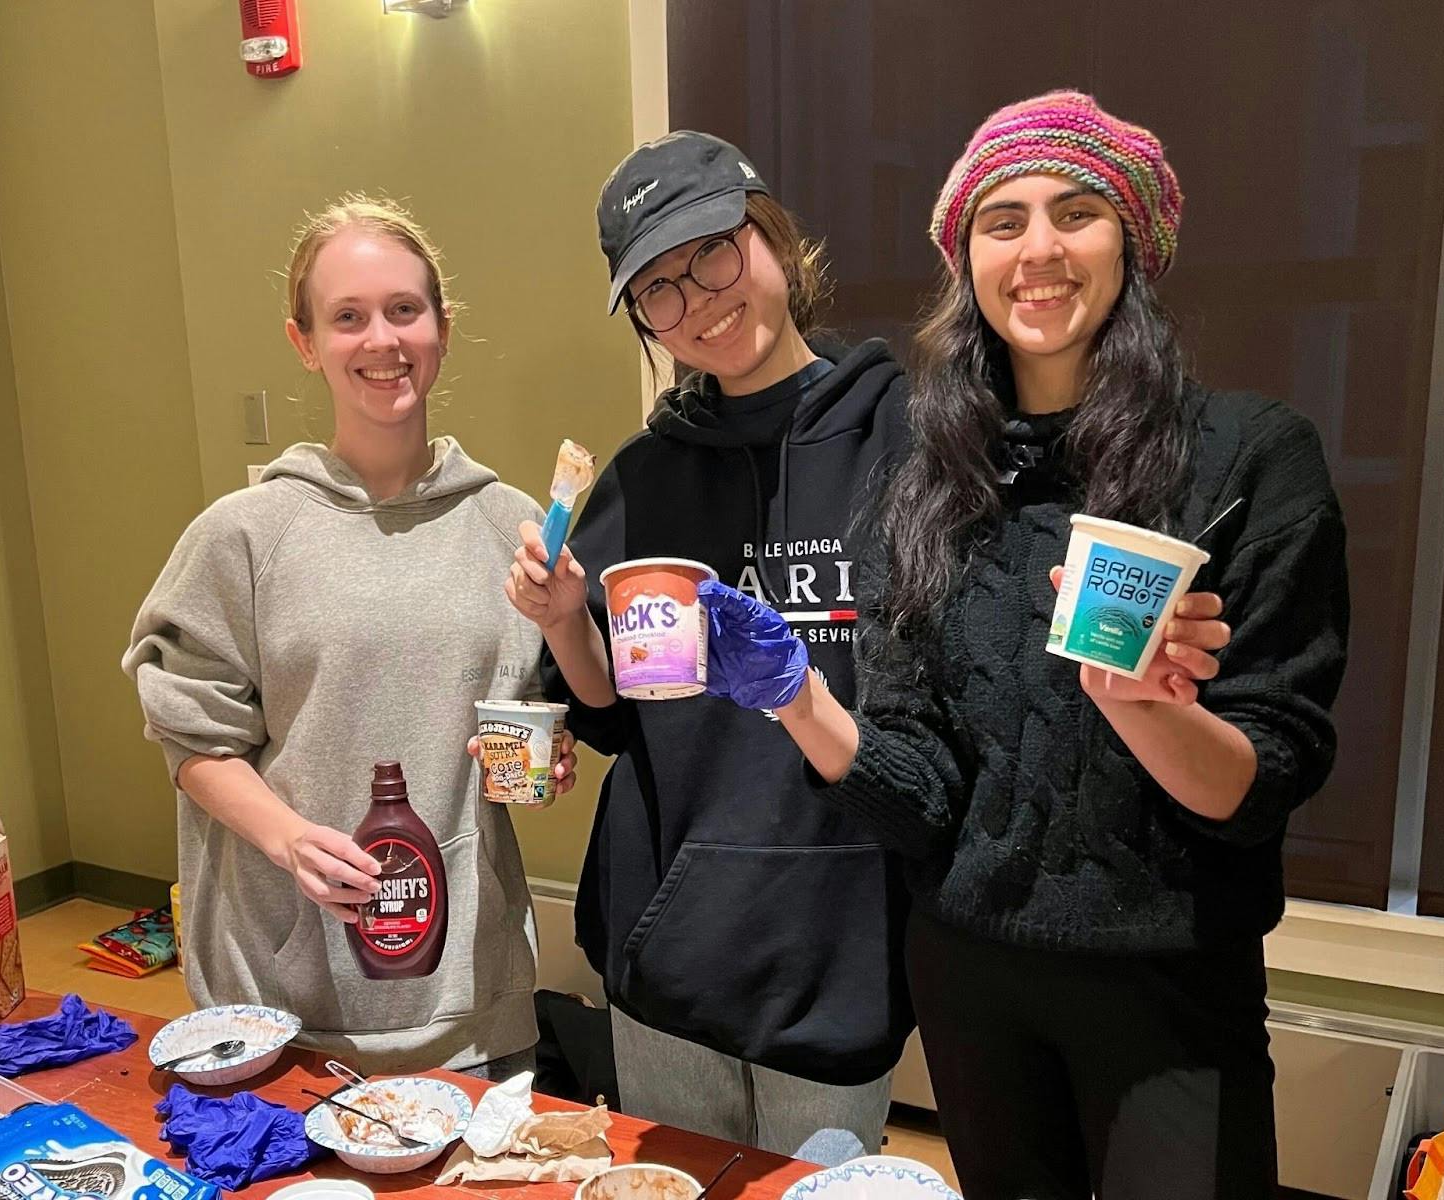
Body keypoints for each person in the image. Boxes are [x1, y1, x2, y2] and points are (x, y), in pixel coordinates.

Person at [697, 92, 1349, 1199]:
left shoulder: (1245, 462)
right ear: (966, 260)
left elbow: (1259, 785)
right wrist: (796, 697)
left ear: (1132, 241)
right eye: (1001, 221)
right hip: (968, 974)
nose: (1038, 248)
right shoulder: (922, 485)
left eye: (1075, 211)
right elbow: (921, 792)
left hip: (1168, 983)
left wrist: (1145, 703)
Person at [504, 131, 912, 1162]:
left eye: (713, 256)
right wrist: (562, 618)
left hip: (840, 947)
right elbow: (603, 717)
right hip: (670, 948)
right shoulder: (645, 475)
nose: (698, 303)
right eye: (658, 291)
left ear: (772, 237)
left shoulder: (904, 438)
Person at [123, 195, 577, 1079]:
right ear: (304, 342)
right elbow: (190, 740)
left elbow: (519, 725)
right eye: (347, 317)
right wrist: (290, 837)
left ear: (443, 326)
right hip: (283, 1002)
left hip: (470, 1002)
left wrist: (542, 763)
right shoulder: (243, 536)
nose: (382, 340)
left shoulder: (514, 526)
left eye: (405, 310)